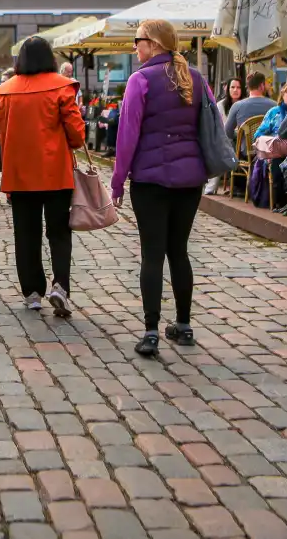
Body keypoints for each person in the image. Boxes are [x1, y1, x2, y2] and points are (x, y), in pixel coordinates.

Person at [110, 19, 210, 356]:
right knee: (179, 251)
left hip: (151, 179)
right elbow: (210, 126)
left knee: (152, 254)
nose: (134, 46)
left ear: (152, 43)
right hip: (190, 177)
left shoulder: (140, 80)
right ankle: (183, 325)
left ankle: (151, 331)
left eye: (136, 40)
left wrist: (117, 180)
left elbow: (127, 136)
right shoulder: (195, 77)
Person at [0, 36, 85, 316]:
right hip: (55, 173)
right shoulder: (62, 88)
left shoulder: (5, 92)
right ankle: (61, 286)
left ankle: (32, 291)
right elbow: (77, 135)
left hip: (20, 175)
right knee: (58, 232)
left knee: (26, 234)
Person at [223, 71, 276, 141]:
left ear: (248, 87)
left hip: (246, 150)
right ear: (262, 86)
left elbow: (227, 132)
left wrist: (239, 136)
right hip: (268, 149)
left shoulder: (237, 106)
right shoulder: (274, 105)